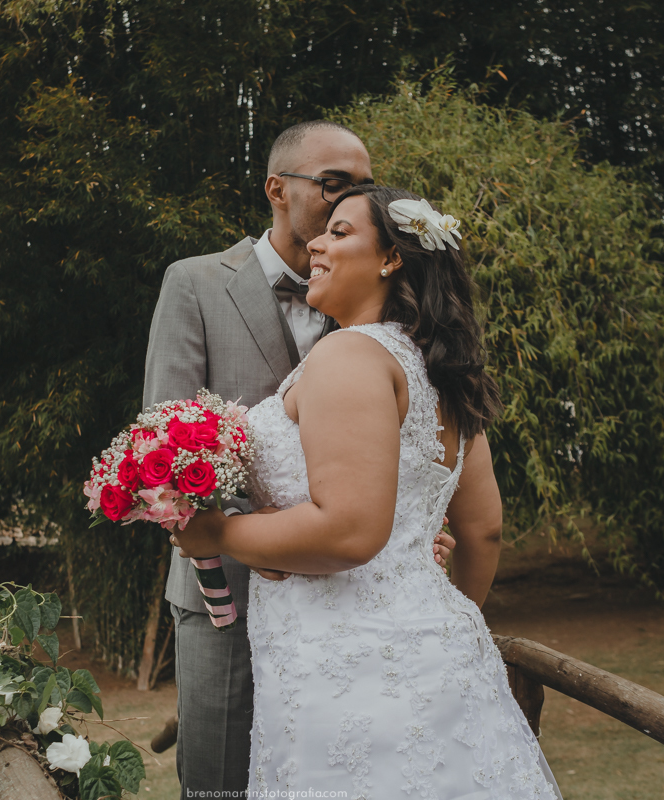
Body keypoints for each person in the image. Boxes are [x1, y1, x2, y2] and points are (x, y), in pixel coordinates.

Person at [173, 185, 561, 798]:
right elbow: (484, 530)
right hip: (439, 656)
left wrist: (218, 531)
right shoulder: (445, 376)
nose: (316, 244)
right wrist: (430, 623)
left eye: (340, 232)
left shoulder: (349, 355)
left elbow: (348, 531)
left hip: (344, 671)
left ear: (392, 259)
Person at [143, 122, 455, 799]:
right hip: (227, 588)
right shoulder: (194, 283)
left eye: (363, 186)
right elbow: (165, 443)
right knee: (221, 783)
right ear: (277, 189)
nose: (350, 197)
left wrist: (412, 526)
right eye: (334, 183)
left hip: (351, 602)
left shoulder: (368, 302)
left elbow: (395, 438)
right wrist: (255, 538)